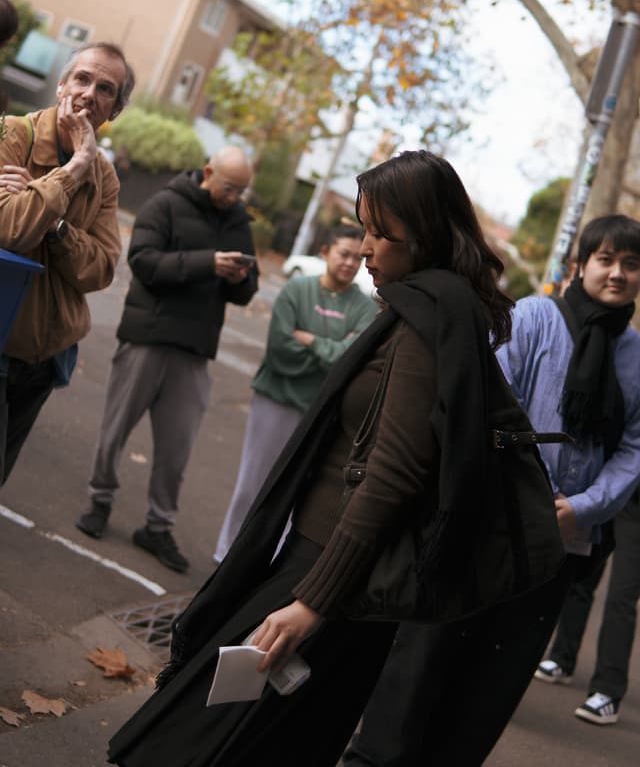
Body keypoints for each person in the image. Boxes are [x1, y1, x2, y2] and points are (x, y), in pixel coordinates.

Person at [107, 150, 564, 767]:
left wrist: (311, 603)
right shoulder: (433, 309)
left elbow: (392, 476)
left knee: (197, 742)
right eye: (364, 228)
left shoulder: (425, 324)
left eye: (382, 233)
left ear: (425, 235)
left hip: (332, 576)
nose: (366, 247)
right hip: (337, 573)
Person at [345, 213, 640, 765]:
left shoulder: (636, 356)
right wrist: (528, 498)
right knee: (427, 654)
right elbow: (487, 404)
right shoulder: (533, 317)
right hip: (487, 521)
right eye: (605, 259)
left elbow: (634, 449)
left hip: (562, 543)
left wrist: (583, 506)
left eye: (630, 264)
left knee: (496, 678)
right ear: (579, 265)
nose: (618, 274)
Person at [75, 146, 259, 573]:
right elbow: (143, 262)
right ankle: (99, 501)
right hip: (148, 336)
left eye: (242, 191)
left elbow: (245, 293)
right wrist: (208, 263)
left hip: (194, 350)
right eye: (230, 188)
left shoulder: (237, 220)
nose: (235, 197)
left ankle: (158, 526)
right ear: (209, 172)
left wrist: (240, 276)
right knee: (115, 429)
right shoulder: (164, 203)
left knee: (177, 449)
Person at [0, 42, 134, 485]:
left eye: (106, 89)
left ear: (114, 109)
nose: (89, 94)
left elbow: (100, 269)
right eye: (82, 79)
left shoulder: (106, 178)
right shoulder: (12, 135)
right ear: (60, 85)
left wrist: (54, 222)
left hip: (42, 358)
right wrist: (74, 166)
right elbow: (11, 230)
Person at [213, 222, 377, 564]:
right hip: (275, 400)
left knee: (297, 492)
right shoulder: (297, 290)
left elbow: (351, 360)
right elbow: (280, 350)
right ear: (325, 253)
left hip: (319, 412)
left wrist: (311, 340)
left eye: (356, 259)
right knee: (252, 482)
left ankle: (268, 565)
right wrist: (331, 352)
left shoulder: (365, 308)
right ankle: (226, 553)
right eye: (343, 254)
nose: (350, 263)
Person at [535, 488, 640, 725]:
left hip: (636, 503)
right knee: (582, 571)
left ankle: (607, 691)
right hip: (608, 482)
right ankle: (563, 658)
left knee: (621, 596)